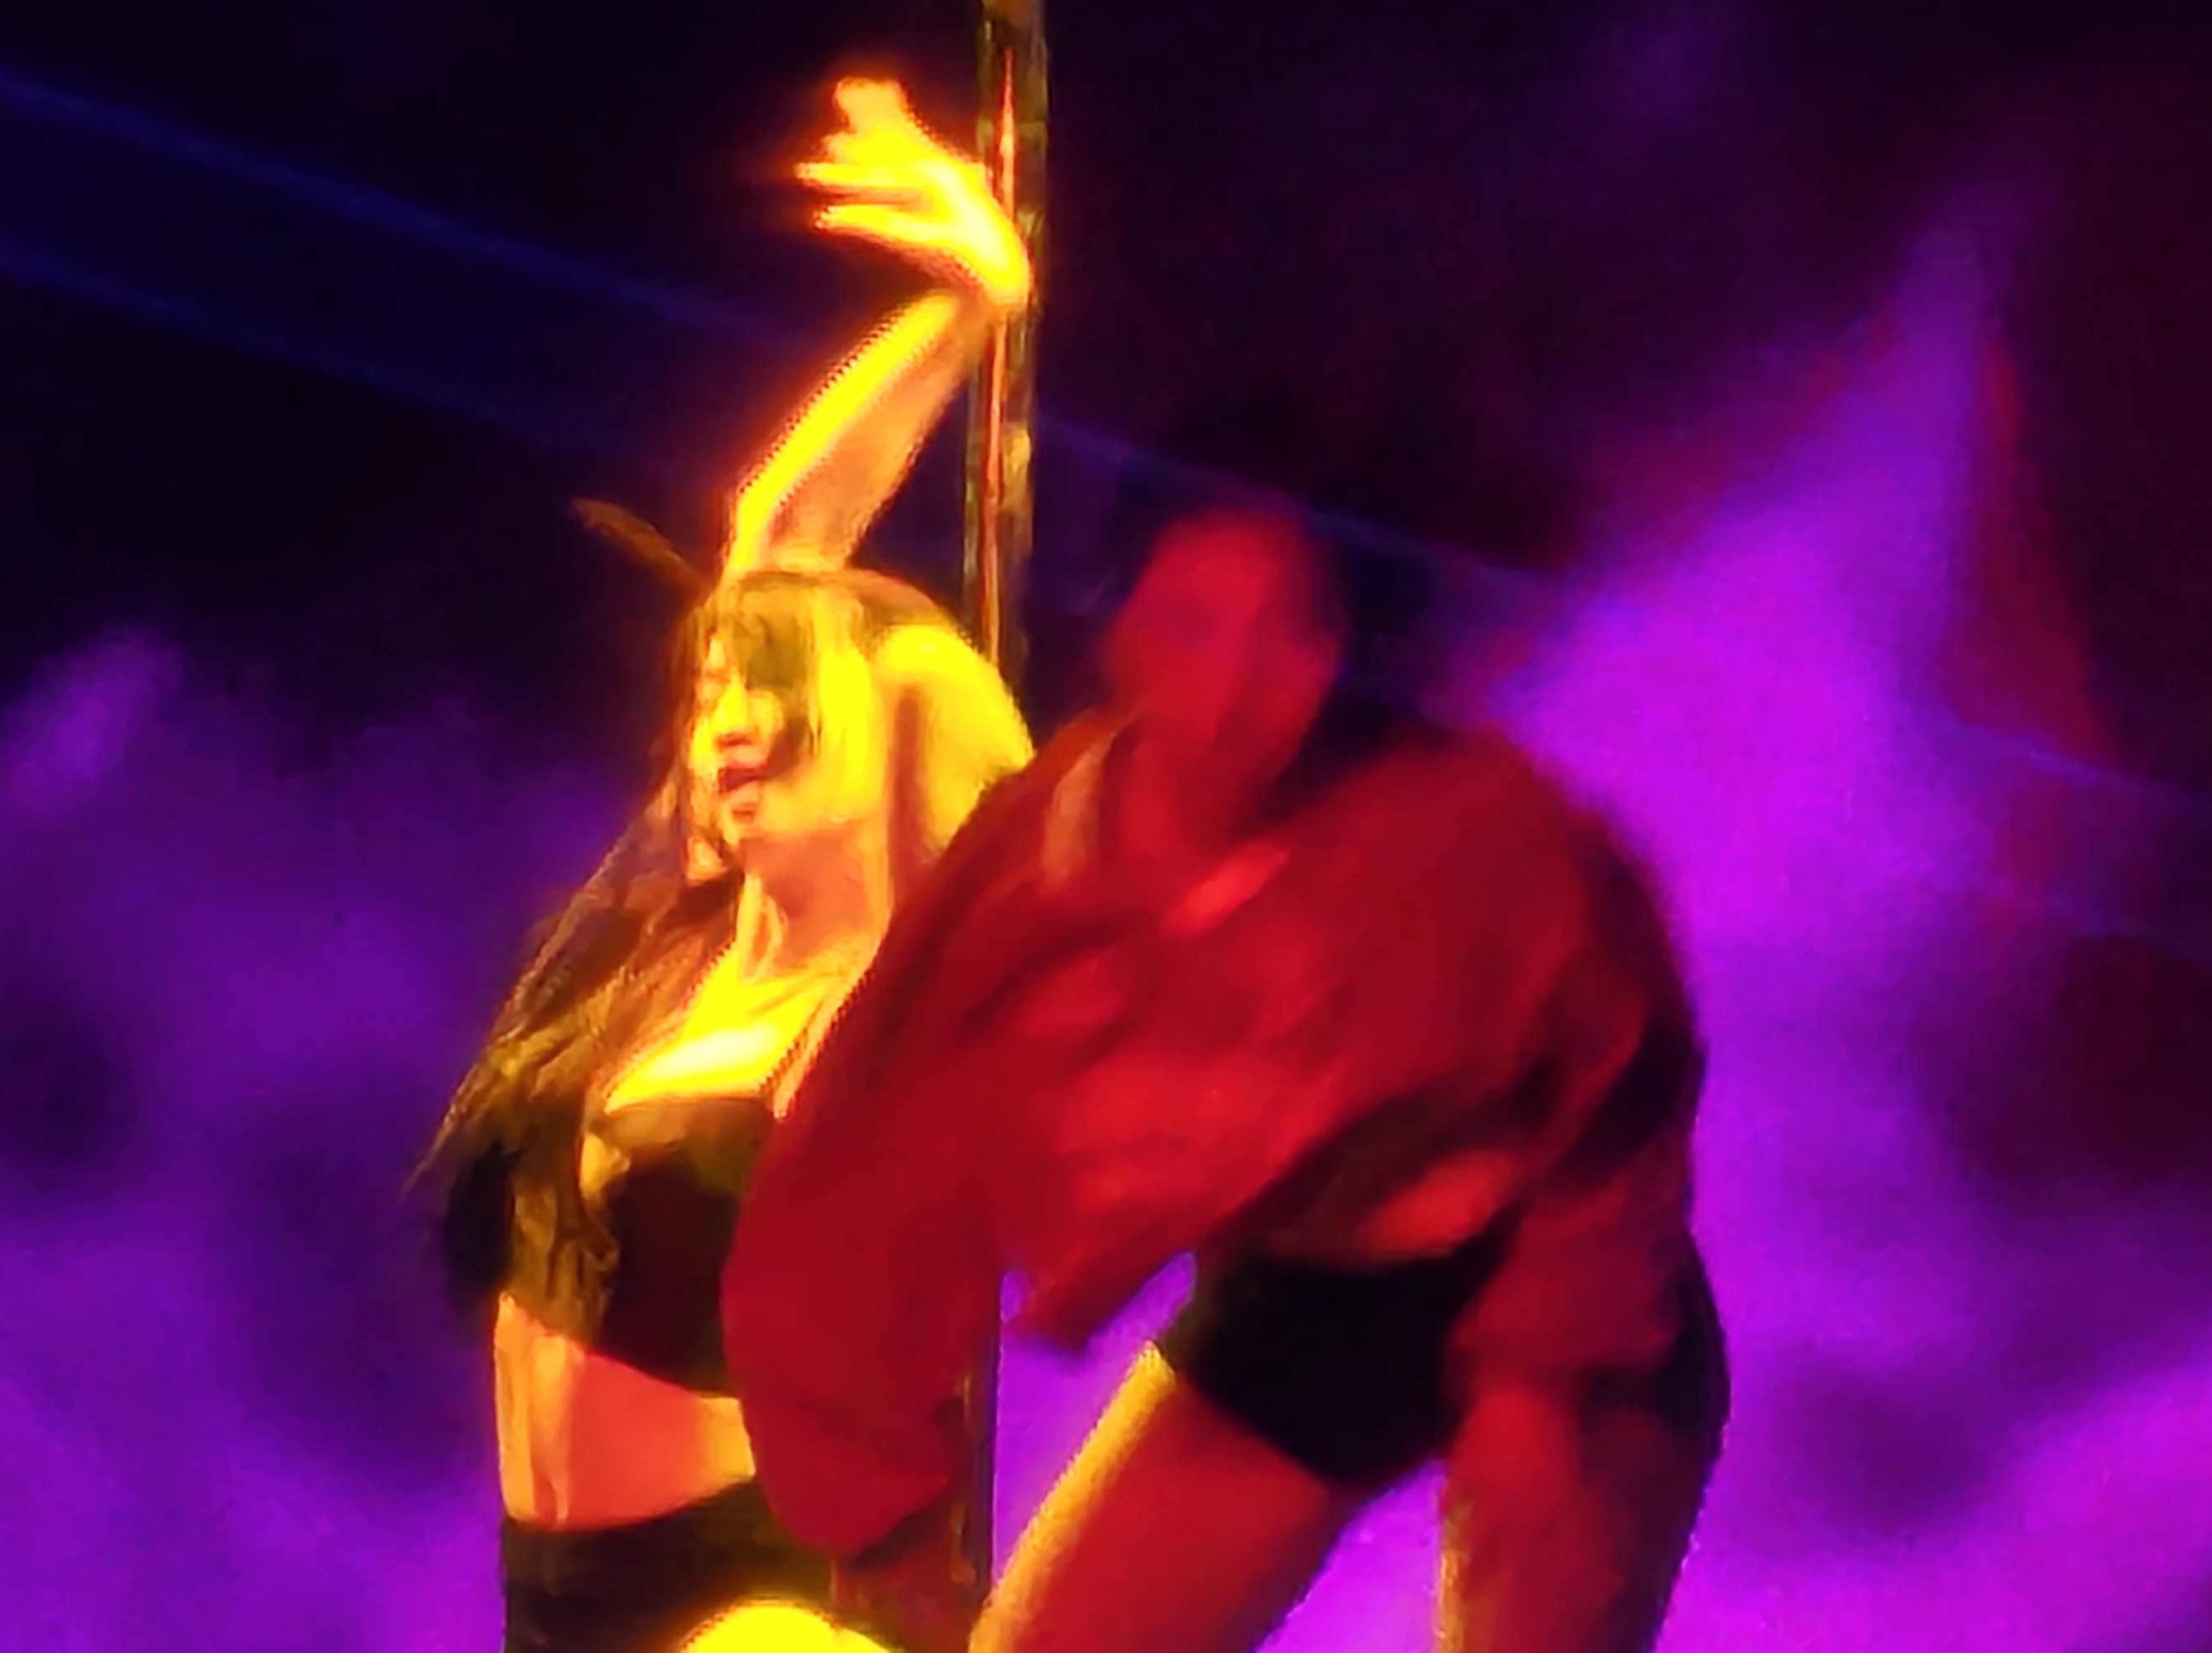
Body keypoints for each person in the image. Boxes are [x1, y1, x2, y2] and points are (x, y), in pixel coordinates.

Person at [722, 499, 1725, 1653]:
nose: (1240, 685)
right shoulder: (1035, 866)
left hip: (1567, 1292)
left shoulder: (1468, 825)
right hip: (1303, 1310)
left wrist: (1538, 1383)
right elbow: (861, 1168)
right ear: (1122, 638)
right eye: (1194, 625)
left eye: (1289, 632)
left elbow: (1622, 1084)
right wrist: (879, 1515)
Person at [421, 80, 1040, 1653]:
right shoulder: (695, 938)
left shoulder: (872, 1016)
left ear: (890, 750)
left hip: (731, 1596)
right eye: (712, 698)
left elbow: (790, 565)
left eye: (776, 702)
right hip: (551, 1605)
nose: (727, 726)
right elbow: (772, 541)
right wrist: (966, 308)